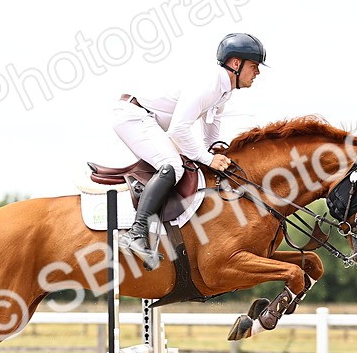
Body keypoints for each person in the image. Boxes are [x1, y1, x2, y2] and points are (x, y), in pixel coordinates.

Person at [112, 32, 267, 269]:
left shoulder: (223, 92)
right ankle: (136, 233)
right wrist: (207, 158)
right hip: (134, 116)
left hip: (150, 121)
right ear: (236, 64)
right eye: (254, 66)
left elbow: (211, 134)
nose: (257, 73)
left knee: (186, 165)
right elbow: (178, 130)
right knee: (172, 166)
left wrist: (217, 154)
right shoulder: (210, 85)